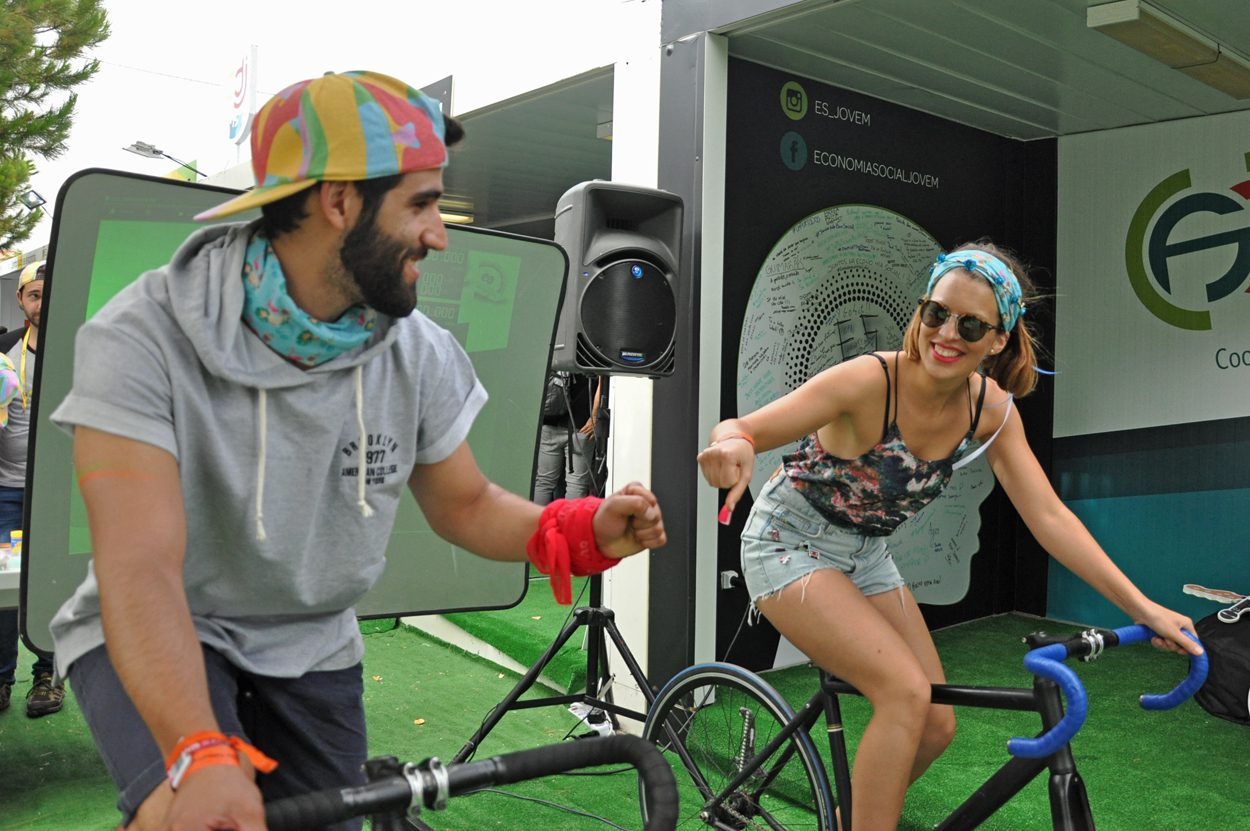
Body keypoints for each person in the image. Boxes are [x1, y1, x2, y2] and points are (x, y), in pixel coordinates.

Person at [47, 71, 666, 831]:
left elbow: (467, 504)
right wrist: (200, 753)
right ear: (339, 202)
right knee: (191, 812)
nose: (439, 233)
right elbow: (139, 567)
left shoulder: (418, 351)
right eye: (421, 204)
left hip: (311, 639)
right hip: (169, 619)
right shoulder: (141, 337)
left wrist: (577, 528)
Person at [697, 241, 1202, 831]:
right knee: (905, 694)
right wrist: (731, 446)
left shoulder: (992, 411)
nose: (945, 333)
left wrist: (1143, 609)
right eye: (936, 313)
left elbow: (1049, 517)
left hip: (866, 555)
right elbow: (743, 429)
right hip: (788, 541)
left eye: (970, 325)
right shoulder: (872, 379)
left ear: (999, 339)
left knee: (936, 725)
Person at [0, 260, 61, 717]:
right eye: (33, 294)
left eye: (47, 292)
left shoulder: (80, 348)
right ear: (21, 300)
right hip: (9, 492)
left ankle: (47, 677)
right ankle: (2, 677)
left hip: (57, 495)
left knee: (52, 585)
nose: (41, 302)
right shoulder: (3, 353)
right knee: (3, 589)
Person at [533, 370, 601, 504]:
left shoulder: (554, 356)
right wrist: (594, 417)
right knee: (577, 483)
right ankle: (570, 518)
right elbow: (602, 382)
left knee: (544, 482)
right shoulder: (593, 356)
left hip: (549, 423)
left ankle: (538, 518)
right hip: (582, 427)